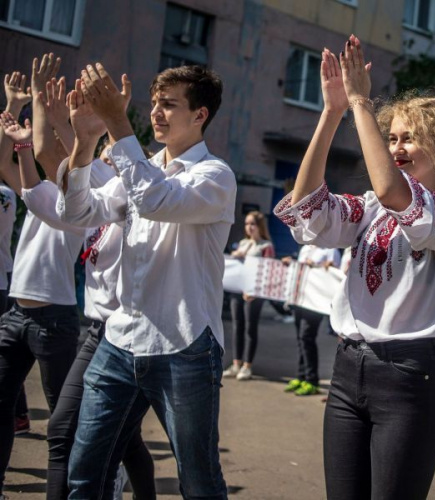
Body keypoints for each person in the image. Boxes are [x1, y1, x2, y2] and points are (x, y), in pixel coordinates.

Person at [274, 36, 435, 499]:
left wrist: (362, 102)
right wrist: (331, 114)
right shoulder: (367, 207)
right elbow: (306, 210)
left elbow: (397, 196)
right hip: (349, 371)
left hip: (409, 378)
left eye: (410, 138)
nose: (397, 146)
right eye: (391, 138)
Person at [58, 63, 235, 498]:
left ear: (200, 115)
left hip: (186, 346)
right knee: (85, 473)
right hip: (119, 342)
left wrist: (118, 123)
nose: (156, 112)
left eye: (169, 104)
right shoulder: (140, 167)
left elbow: (154, 199)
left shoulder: (215, 176)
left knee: (198, 480)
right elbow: (76, 213)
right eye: (154, 103)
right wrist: (84, 143)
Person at [0, 56, 84, 499]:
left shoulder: (77, 203)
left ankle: (86, 484)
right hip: (15, 314)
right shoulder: (40, 189)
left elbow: (41, 158)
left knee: (62, 420)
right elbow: (6, 161)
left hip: (55, 320)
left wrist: (37, 102)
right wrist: (12, 109)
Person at [281, 244, 340, 396]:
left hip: (315, 302)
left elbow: (335, 274)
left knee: (306, 337)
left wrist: (324, 266)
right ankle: (301, 376)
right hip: (300, 298)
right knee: (301, 338)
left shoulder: (329, 248)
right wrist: (291, 263)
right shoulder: (305, 248)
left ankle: (312, 380)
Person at [223, 211, 275, 381]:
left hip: (253, 293)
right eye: (246, 223)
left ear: (259, 226)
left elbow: (268, 272)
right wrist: (235, 256)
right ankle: (236, 363)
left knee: (250, 328)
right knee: (237, 326)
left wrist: (255, 291)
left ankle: (247, 366)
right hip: (237, 290)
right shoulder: (243, 243)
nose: (249, 227)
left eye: (252, 223)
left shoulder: (266, 246)